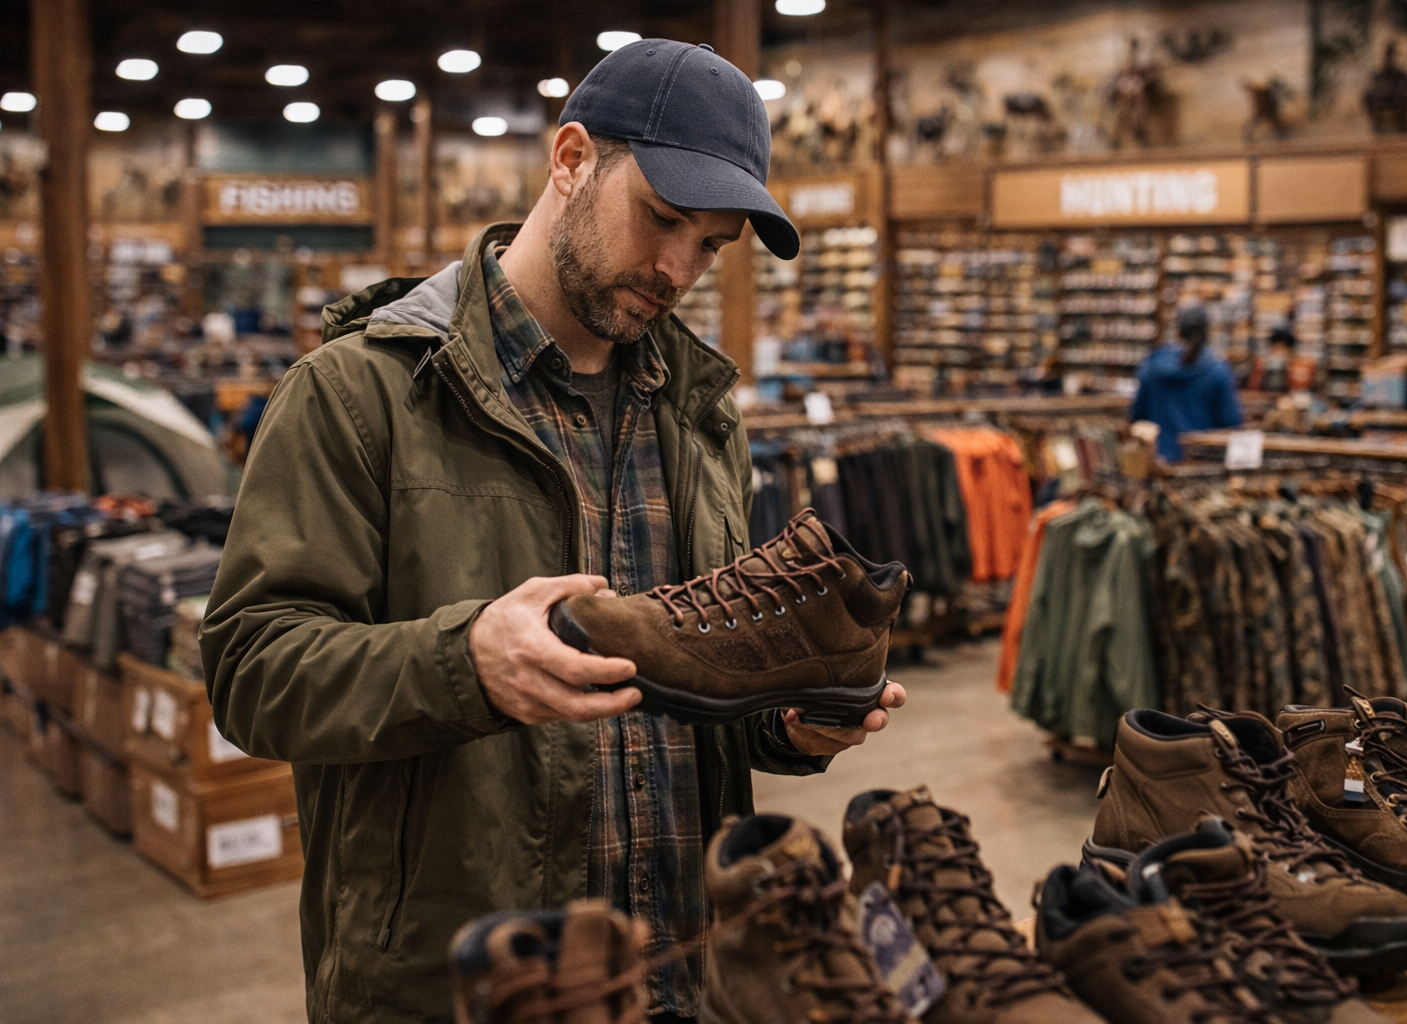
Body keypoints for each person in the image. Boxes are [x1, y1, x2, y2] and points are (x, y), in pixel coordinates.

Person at [199, 40, 905, 1024]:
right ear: (570, 160)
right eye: (661, 217)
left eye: (711, 243)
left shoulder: (702, 416)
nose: (678, 267)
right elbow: (249, 667)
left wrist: (780, 722)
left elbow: (688, 670)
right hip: (463, 984)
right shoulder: (362, 395)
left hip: (684, 975)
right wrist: (467, 663)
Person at [1129, 304, 1244, 462]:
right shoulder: (1218, 372)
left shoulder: (1151, 366)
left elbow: (1137, 416)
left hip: (1155, 464)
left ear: (1178, 331)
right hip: (1200, 468)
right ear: (1207, 332)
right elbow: (1231, 424)